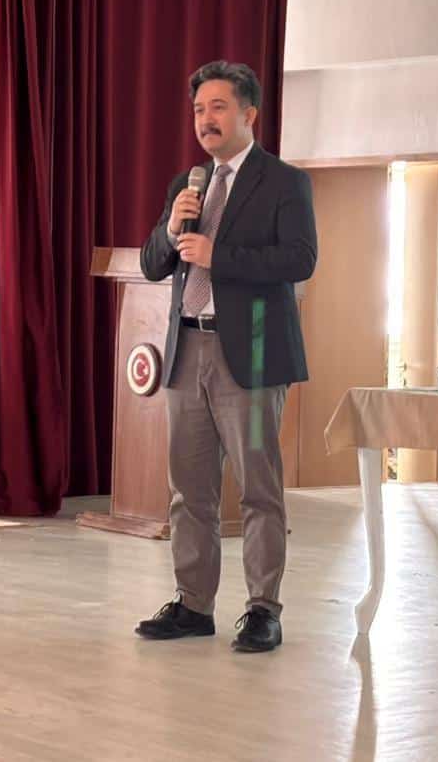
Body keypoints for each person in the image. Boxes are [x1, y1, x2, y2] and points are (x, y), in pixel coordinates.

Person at [135, 61, 317, 653]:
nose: (205, 120)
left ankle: (263, 609)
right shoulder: (187, 184)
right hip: (187, 348)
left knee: (258, 488)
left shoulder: (284, 182)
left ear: (249, 114)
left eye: (217, 107)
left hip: (254, 354)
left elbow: (300, 260)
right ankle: (193, 604)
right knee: (189, 490)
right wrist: (172, 229)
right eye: (198, 110)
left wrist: (221, 256)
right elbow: (153, 264)